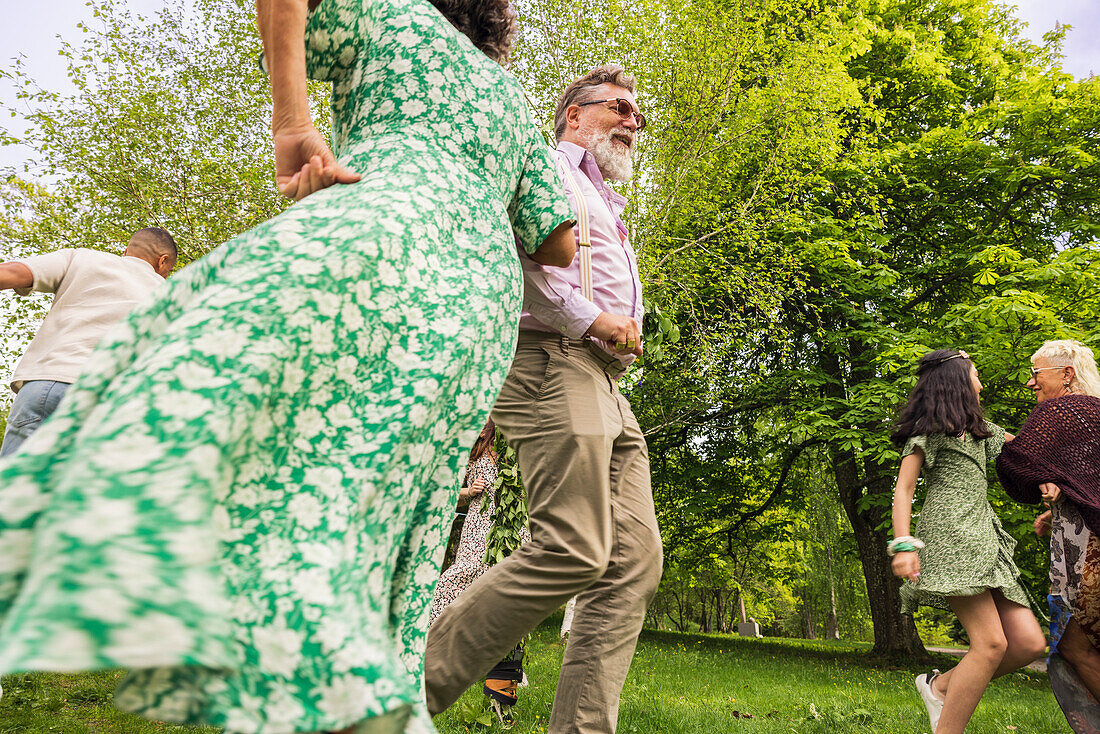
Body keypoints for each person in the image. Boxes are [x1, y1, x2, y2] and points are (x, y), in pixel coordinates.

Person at [0, 0, 575, 732]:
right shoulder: (512, 102)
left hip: (382, 224)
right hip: (478, 298)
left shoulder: (396, 17)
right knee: (402, 501)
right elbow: (557, 245)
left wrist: (293, 125)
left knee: (243, 394)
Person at [425, 64, 663, 734]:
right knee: (573, 546)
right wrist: (591, 320)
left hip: (604, 380)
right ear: (575, 114)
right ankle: (394, 698)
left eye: (637, 112)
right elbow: (517, 258)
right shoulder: (547, 169)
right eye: (618, 106)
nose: (632, 120)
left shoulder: (604, 201)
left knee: (633, 561)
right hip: (548, 360)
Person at [889, 349, 1046, 734]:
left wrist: (1055, 481)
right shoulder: (929, 432)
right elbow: (904, 489)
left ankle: (939, 686)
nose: (981, 382)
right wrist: (904, 544)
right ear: (958, 382)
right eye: (976, 374)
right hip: (951, 537)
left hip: (986, 539)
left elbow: (1028, 454)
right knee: (991, 645)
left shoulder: (983, 432)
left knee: (1027, 644)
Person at [0, 229, 176, 456]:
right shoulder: (172, 296)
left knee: (13, 486)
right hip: (113, 401)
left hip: (49, 384)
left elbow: (10, 272)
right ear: (163, 262)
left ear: (126, 251)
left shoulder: (82, 258)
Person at [997, 340, 1100, 724]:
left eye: (1036, 373)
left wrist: (983, 430)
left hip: (1091, 553)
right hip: (1087, 537)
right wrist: (1060, 503)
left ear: (1066, 374)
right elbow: (1088, 483)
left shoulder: (1061, 411)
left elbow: (1017, 462)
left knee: (1075, 649)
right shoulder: (1094, 416)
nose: (1030, 383)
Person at [428, 419, 531, 728]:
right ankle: (430, 641)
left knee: (507, 597)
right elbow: (441, 489)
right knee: (454, 580)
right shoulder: (474, 447)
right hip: (478, 528)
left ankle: (505, 674)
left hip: (513, 530)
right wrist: (467, 489)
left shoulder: (519, 448)